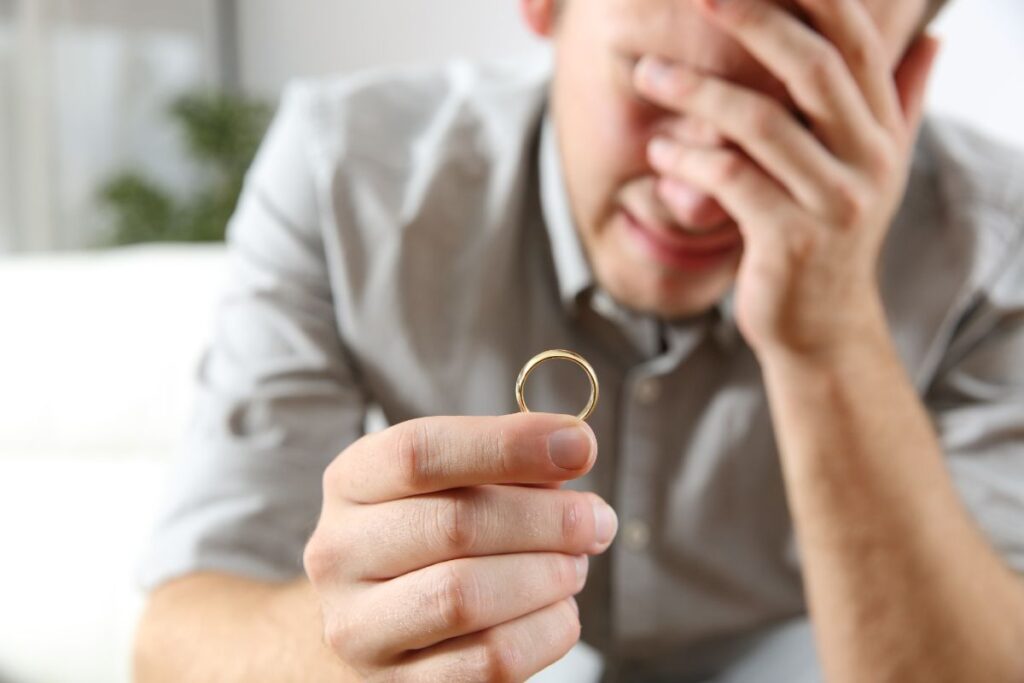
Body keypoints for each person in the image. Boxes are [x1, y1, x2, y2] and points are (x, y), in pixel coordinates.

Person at [134, 0, 1024, 680]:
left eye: (791, 121)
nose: (695, 196)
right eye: (657, 79)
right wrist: (356, 644)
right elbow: (177, 640)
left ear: (903, 82)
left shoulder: (997, 243)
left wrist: (829, 340)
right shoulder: (349, 172)